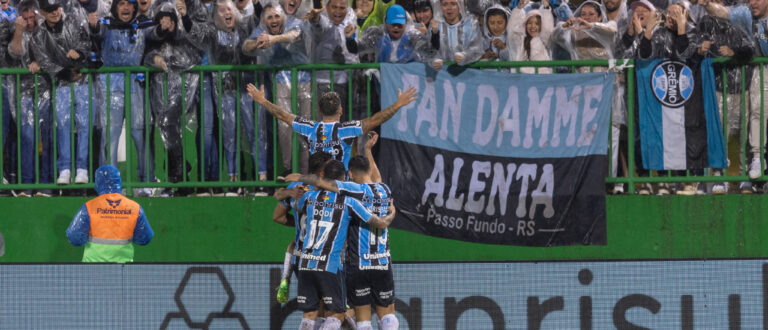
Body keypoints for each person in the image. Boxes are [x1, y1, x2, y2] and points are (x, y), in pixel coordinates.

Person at [287, 132, 398, 330]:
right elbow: (376, 177)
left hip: (357, 263)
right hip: (382, 261)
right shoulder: (384, 190)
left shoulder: (352, 193)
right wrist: (367, 150)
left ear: (351, 174)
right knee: (388, 316)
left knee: (362, 320)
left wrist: (301, 178)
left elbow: (326, 183)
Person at [185, 0, 264, 196]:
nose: (226, 13)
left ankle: (262, 181)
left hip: (247, 88)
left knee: (255, 132)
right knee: (230, 136)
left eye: (230, 9)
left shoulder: (245, 27)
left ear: (236, 12)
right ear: (215, 15)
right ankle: (233, 181)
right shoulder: (212, 32)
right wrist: (185, 16)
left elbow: (258, 19)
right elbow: (194, 33)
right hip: (226, 91)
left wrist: (258, 4)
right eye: (221, 11)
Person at [246, 83, 417, 169]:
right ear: (341, 110)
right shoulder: (346, 130)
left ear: (319, 110)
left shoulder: (311, 128)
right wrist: (397, 105)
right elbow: (376, 119)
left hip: (318, 188)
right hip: (341, 190)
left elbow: (282, 114)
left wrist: (262, 101)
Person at [91, 0, 156, 197]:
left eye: (130, 4)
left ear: (135, 7)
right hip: (110, 84)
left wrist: (164, 26)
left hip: (135, 83)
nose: (126, 8)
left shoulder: (143, 25)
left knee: (140, 134)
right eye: (121, 4)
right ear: (115, 7)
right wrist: (93, 26)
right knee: (110, 136)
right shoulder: (105, 25)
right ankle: (109, 187)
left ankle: (146, 183)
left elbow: (156, 33)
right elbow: (97, 32)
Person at [703, 0, 768, 188]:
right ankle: (755, 159)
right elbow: (723, 13)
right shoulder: (746, 14)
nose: (753, 2)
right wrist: (705, 3)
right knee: (754, 113)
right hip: (755, 70)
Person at [243, 2, 312, 176]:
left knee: (306, 128)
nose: (274, 20)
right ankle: (289, 170)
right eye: (270, 17)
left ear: (283, 17)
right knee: (284, 127)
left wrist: (273, 40)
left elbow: (294, 35)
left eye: (277, 16)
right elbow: (246, 47)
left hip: (304, 80)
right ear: (265, 20)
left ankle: (305, 172)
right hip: (281, 81)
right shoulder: (262, 30)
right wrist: (257, 42)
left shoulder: (294, 22)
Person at [30, 0, 93, 185]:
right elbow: (43, 59)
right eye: (49, 10)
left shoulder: (73, 21)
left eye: (56, 8)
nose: (54, 12)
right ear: (41, 11)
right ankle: (64, 169)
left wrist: (79, 54)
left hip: (83, 81)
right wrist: (65, 72)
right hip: (61, 84)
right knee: (63, 127)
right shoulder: (38, 35)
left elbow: (85, 42)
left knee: (84, 127)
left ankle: (82, 169)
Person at [694, 6, 754, 194]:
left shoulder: (738, 25)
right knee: (720, 138)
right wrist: (700, 50)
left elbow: (750, 50)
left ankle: (746, 179)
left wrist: (733, 53)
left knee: (746, 138)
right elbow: (693, 51)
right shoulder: (704, 29)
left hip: (742, 90)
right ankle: (720, 176)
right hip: (719, 91)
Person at [272, 151, 333, 304]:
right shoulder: (328, 190)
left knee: (312, 311)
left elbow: (277, 216)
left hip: (300, 256)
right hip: (324, 256)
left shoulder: (296, 187)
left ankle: (285, 277)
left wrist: (300, 225)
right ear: (322, 171)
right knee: (334, 312)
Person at [7, 0, 54, 197]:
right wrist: (19, 30)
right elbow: (15, 52)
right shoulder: (19, 31)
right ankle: (26, 185)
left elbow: (55, 53)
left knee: (48, 137)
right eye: (25, 19)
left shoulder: (46, 30)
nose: (29, 22)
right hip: (25, 92)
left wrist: (39, 62)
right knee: (27, 138)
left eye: (31, 18)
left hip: (48, 89)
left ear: (38, 16)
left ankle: (46, 185)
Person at [65, 165, 154, 262]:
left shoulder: (89, 207)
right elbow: (145, 238)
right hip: (123, 270)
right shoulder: (135, 208)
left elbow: (74, 238)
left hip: (92, 269)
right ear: (119, 181)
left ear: (98, 182)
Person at [304, 0, 358, 118]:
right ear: (327, 7)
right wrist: (315, 18)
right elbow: (318, 25)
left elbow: (355, 51)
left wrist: (350, 39)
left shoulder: (350, 22)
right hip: (322, 84)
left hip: (344, 84)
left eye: (342, 8)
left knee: (340, 126)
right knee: (323, 127)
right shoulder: (324, 22)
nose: (338, 11)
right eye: (334, 7)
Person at [344, 4, 432, 63]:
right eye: (393, 24)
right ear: (386, 22)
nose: (396, 28)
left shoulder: (413, 36)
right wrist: (350, 38)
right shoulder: (377, 35)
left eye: (399, 25)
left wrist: (436, 60)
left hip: (408, 86)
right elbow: (355, 49)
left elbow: (431, 53)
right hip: (384, 85)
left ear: (406, 23)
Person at [430, 0, 484, 70]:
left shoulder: (471, 23)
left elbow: (477, 50)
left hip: (467, 74)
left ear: (460, 5)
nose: (449, 8)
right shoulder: (435, 24)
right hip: (443, 76)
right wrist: (434, 60)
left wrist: (465, 56)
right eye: (445, 4)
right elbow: (429, 51)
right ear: (440, 6)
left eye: (453, 4)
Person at [508, 0, 554, 73]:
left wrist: (545, 9)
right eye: (529, 23)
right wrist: (518, 10)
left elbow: (548, 30)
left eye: (537, 23)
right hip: (524, 80)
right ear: (525, 25)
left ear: (542, 25)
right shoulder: (521, 41)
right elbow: (512, 31)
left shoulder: (544, 41)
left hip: (542, 79)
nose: (533, 26)